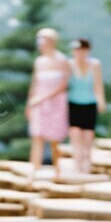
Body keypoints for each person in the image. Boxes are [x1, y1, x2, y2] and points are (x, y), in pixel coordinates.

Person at [26, 28, 70, 178]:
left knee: (54, 137)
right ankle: (34, 170)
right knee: (37, 135)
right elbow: (34, 83)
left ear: (51, 41)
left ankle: (58, 171)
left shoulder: (61, 60)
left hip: (56, 102)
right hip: (38, 103)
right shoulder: (39, 61)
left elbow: (64, 85)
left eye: (42, 39)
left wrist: (43, 97)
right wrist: (29, 104)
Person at [67, 38, 106, 174]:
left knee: (88, 134)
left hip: (89, 103)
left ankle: (87, 159)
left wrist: (101, 101)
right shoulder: (70, 65)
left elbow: (98, 85)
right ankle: (77, 162)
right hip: (73, 103)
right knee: (75, 133)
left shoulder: (94, 65)